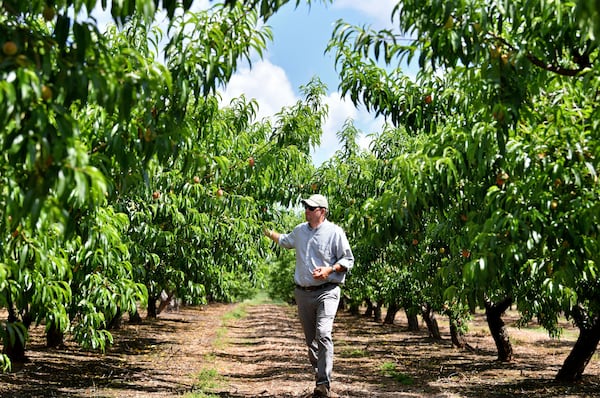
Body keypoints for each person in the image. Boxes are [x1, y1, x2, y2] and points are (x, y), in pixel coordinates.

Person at [264, 194, 354, 398]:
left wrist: (329, 270)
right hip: (303, 293)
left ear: (322, 211)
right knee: (311, 341)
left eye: (311, 208)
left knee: (323, 333)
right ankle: (319, 377)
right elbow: (285, 241)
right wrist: (265, 231)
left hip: (327, 291)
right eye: (305, 207)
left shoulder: (334, 232)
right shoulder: (300, 231)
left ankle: (324, 383)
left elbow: (348, 259)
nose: (306, 210)